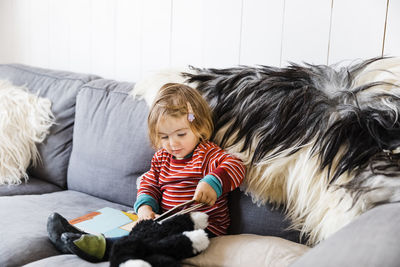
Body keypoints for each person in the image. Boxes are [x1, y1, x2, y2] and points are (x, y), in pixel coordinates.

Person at [47, 83, 246, 262]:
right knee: (144, 230)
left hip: (203, 228)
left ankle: (103, 247)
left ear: (199, 127)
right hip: (162, 221)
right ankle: (81, 236)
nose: (173, 143)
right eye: (164, 137)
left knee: (152, 236)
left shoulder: (207, 154)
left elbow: (236, 166)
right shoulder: (161, 158)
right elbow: (149, 183)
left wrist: (213, 182)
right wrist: (145, 207)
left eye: (181, 134)